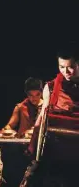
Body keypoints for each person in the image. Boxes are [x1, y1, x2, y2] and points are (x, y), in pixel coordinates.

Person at [21, 47, 79, 187]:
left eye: (71, 67)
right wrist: (34, 147)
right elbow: (42, 118)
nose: (65, 72)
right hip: (56, 151)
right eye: (62, 67)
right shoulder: (51, 87)